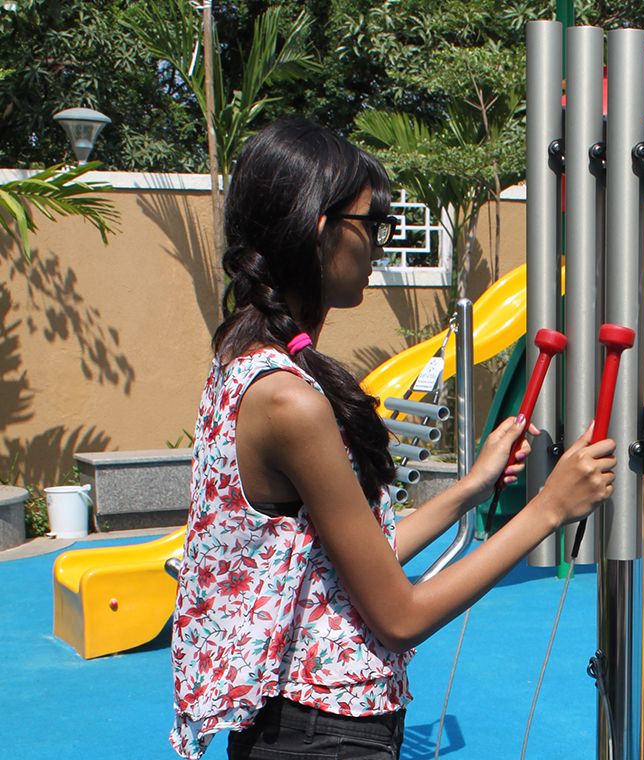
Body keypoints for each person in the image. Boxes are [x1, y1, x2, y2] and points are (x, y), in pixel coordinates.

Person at [169, 117, 616, 760]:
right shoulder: (289, 400)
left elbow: (357, 557)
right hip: (322, 737)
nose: (379, 245)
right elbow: (399, 616)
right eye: (370, 225)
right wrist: (550, 510)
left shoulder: (245, 362)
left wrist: (472, 489)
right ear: (322, 233)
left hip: (303, 727)